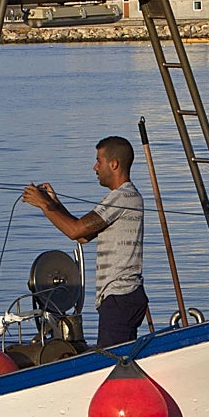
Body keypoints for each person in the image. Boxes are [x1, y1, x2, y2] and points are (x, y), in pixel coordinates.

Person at [22, 135, 147, 347]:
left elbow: (74, 230)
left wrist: (44, 204)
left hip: (120, 297)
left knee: (113, 361)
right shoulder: (120, 197)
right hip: (117, 298)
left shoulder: (123, 197)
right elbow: (82, 235)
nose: (94, 167)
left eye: (99, 161)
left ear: (114, 164)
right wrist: (54, 203)